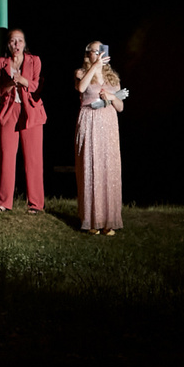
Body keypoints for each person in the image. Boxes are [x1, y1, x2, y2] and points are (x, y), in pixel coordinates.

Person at [74, 40, 127, 234]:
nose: (100, 54)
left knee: (108, 169)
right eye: (96, 51)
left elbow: (120, 107)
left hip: (109, 123)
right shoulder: (81, 72)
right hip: (90, 121)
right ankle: (92, 219)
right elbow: (81, 88)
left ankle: (109, 220)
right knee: (91, 166)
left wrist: (112, 97)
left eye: (102, 51)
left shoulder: (112, 78)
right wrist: (95, 67)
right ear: (89, 54)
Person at [0, 27, 47, 213]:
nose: (16, 45)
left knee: (33, 159)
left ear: (25, 44)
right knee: (6, 157)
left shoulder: (35, 60)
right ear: (8, 44)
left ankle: (36, 204)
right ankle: (3, 203)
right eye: (12, 41)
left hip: (30, 111)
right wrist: (10, 82)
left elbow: (37, 86)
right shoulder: (2, 62)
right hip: (10, 111)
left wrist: (22, 80)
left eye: (19, 41)